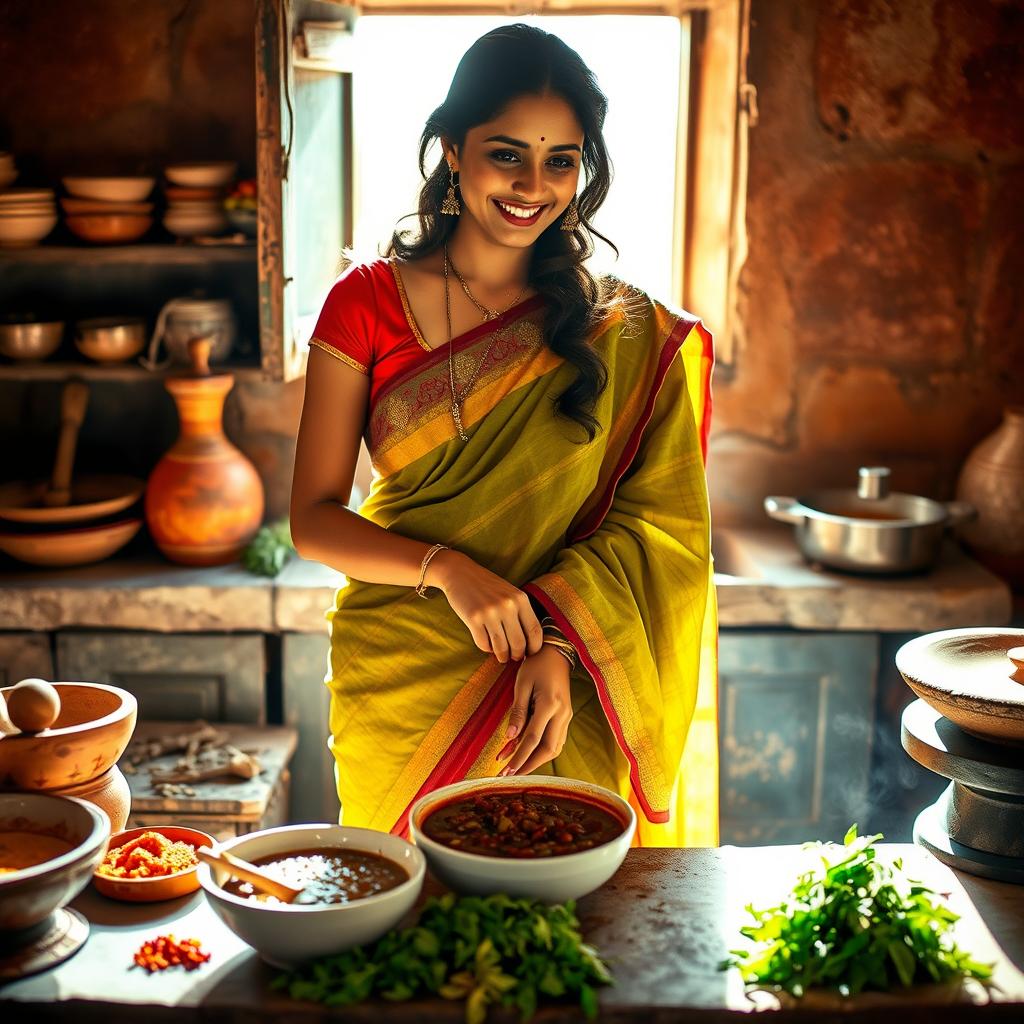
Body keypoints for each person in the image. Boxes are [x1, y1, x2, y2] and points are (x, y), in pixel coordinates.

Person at [290, 22, 718, 847]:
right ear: (453, 149)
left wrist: (559, 639)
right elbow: (312, 520)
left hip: (560, 681)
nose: (533, 184)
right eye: (506, 152)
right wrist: (449, 571)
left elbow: (660, 526)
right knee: (408, 926)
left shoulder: (615, 326)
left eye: (562, 160)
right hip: (404, 672)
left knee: (565, 936)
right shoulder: (365, 302)